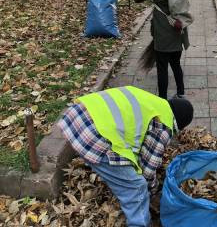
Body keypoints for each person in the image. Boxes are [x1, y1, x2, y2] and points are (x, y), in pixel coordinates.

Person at [57, 85, 193, 227]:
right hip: (93, 138)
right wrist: (154, 190)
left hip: (76, 117)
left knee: (126, 175)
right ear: (178, 124)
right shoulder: (164, 125)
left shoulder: (154, 103)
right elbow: (147, 170)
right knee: (136, 186)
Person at [132, 0, 195, 99]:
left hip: (162, 26)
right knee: (176, 63)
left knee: (162, 67)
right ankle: (181, 94)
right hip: (178, 24)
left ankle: (163, 100)